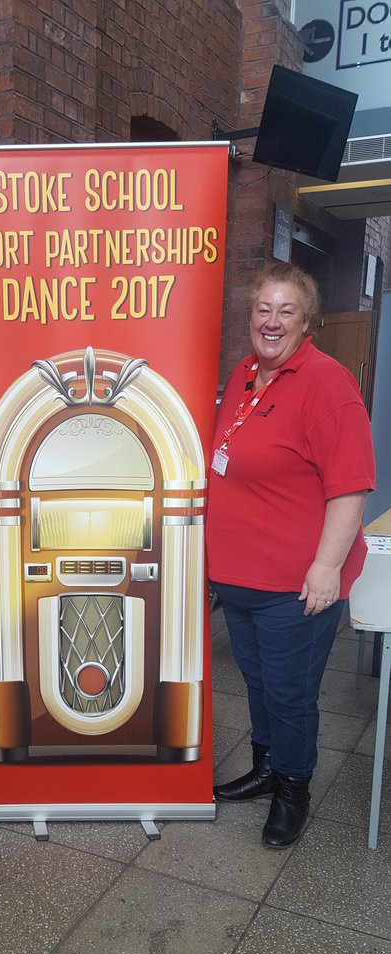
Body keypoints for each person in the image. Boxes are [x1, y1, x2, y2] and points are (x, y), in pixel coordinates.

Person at [206, 262, 375, 849]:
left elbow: (350, 485)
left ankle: (293, 789)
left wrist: (327, 566)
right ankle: (266, 767)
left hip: (294, 584)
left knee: (290, 692)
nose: (271, 321)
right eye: (263, 309)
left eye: (286, 312)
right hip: (239, 578)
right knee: (256, 682)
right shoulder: (247, 373)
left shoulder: (327, 383)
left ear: (307, 323)